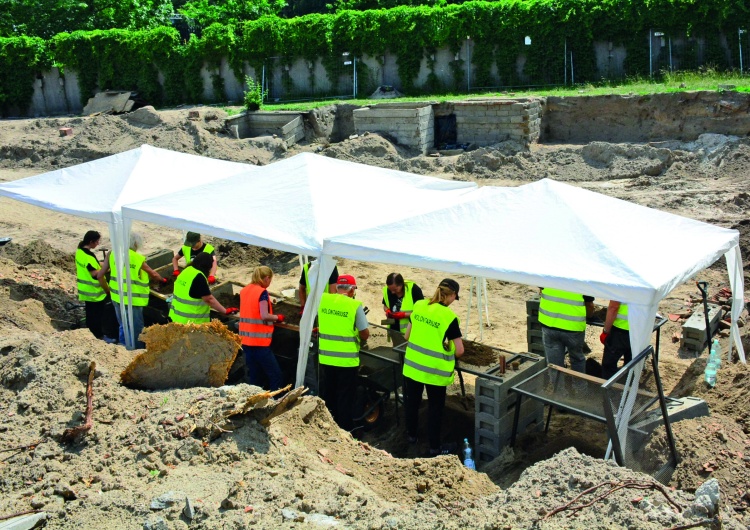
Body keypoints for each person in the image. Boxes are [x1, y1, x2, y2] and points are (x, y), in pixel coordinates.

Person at [403, 278, 464, 456]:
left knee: (412, 404)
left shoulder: (419, 305)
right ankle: (435, 447)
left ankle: (411, 437)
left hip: (413, 367)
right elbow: (459, 350)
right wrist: (448, 347)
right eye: (454, 297)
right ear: (452, 295)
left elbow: (407, 336)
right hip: (434, 372)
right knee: (435, 409)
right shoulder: (449, 317)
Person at [317, 274, 369, 432]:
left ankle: (326, 426)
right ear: (352, 289)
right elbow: (364, 333)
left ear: (337, 287)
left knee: (329, 393)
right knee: (345, 397)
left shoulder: (324, 299)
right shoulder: (354, 305)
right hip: (346, 361)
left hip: (326, 357)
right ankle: (344, 430)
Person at [105, 232, 168, 349]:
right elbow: (153, 273)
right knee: (137, 327)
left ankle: (123, 346)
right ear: (134, 243)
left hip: (117, 296)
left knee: (123, 324)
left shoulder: (114, 253)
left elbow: (103, 272)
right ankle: (137, 351)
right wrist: (163, 280)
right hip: (133, 299)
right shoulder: (137, 258)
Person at [239, 266, 285, 390]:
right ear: (266, 278)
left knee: (255, 376)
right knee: (276, 375)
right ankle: (275, 403)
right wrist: (277, 317)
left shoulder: (244, 290)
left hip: (246, 342)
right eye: (270, 280)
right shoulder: (262, 292)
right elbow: (264, 315)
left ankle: (256, 402)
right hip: (260, 343)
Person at [169, 252, 237, 324]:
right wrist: (225, 311)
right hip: (191, 322)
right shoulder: (199, 277)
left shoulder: (187, 270)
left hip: (176, 317)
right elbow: (209, 300)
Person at [538, 288, 594, 373]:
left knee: (554, 365)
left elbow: (541, 291)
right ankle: (579, 385)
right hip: (573, 327)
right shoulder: (583, 278)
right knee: (577, 360)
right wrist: (590, 315)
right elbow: (589, 305)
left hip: (549, 323)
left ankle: (557, 386)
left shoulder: (548, 275)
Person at [75, 230, 110, 340]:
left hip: (85, 291)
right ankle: (98, 336)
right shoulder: (89, 257)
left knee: (90, 314)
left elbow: (94, 265)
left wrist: (106, 265)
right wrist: (107, 290)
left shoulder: (80, 252)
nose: (98, 243)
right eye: (97, 241)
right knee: (98, 316)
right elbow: (96, 275)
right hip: (95, 293)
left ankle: (91, 333)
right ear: (91, 241)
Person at [382, 272, 424, 344]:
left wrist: (404, 315)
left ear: (401, 284)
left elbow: (422, 312)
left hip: (410, 331)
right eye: (390, 289)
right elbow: (385, 305)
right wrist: (387, 311)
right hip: (394, 329)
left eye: (395, 289)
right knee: (397, 350)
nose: (392, 292)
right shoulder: (388, 290)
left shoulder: (414, 290)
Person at [600, 301, 630, 379]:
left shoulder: (622, 287)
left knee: (608, 365)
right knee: (631, 363)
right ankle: (627, 387)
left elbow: (613, 307)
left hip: (620, 330)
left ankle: (610, 390)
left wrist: (606, 331)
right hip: (639, 329)